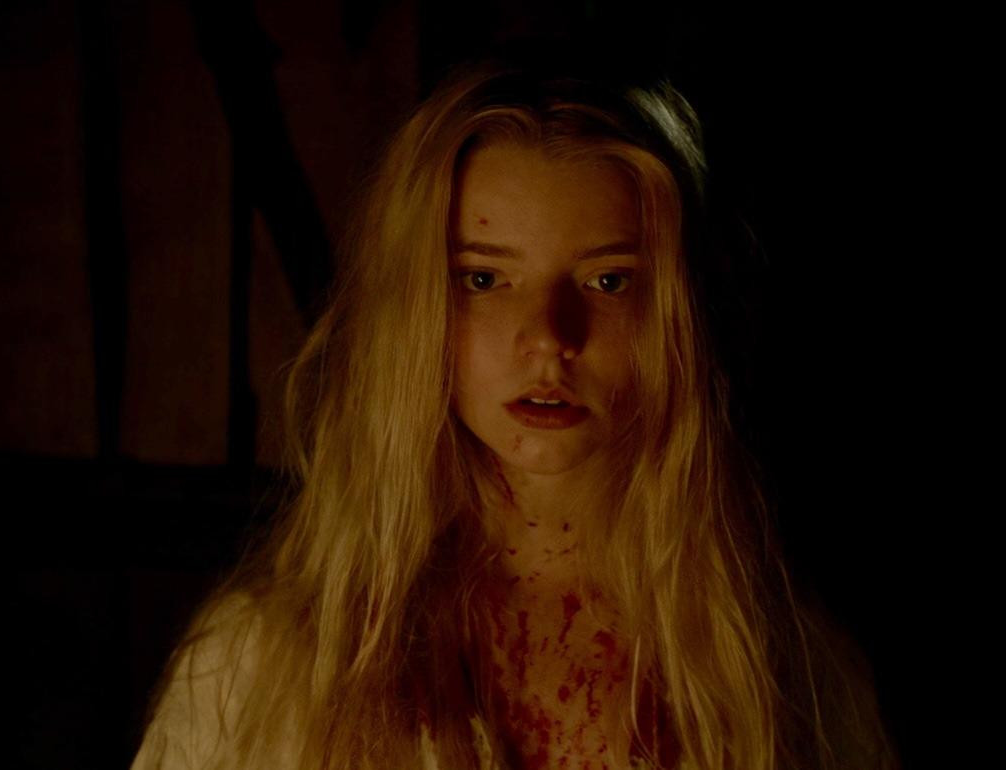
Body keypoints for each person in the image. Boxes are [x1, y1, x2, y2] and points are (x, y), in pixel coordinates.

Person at [131, 61, 896, 770]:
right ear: (413, 305)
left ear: (679, 315)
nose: (549, 338)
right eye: (485, 278)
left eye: (608, 280)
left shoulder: (777, 668)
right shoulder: (263, 661)